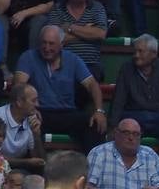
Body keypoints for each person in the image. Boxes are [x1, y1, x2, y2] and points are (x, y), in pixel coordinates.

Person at [14, 24, 106, 152]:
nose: (47, 48)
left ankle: (91, 168)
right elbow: (19, 86)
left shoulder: (73, 59)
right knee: (27, 123)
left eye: (51, 44)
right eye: (44, 43)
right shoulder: (28, 57)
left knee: (95, 124)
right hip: (40, 112)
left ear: (61, 44)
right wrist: (31, 109)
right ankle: (36, 167)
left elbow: (92, 84)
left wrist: (99, 111)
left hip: (67, 113)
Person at [109, 33, 159, 171]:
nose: (136, 55)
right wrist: (114, 125)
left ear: (153, 54)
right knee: (125, 131)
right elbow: (118, 100)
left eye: (140, 51)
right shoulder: (127, 68)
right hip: (135, 117)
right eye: (135, 51)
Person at [46, 0, 107, 80]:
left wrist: (69, 27)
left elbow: (100, 33)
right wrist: (87, 31)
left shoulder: (97, 8)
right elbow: (54, 41)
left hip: (90, 64)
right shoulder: (57, 9)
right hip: (63, 63)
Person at [0, 81, 45, 170]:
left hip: (17, 169)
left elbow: (39, 161)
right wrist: (26, 162)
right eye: (33, 100)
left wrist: (36, 135)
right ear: (19, 102)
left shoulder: (32, 119)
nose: (37, 104)